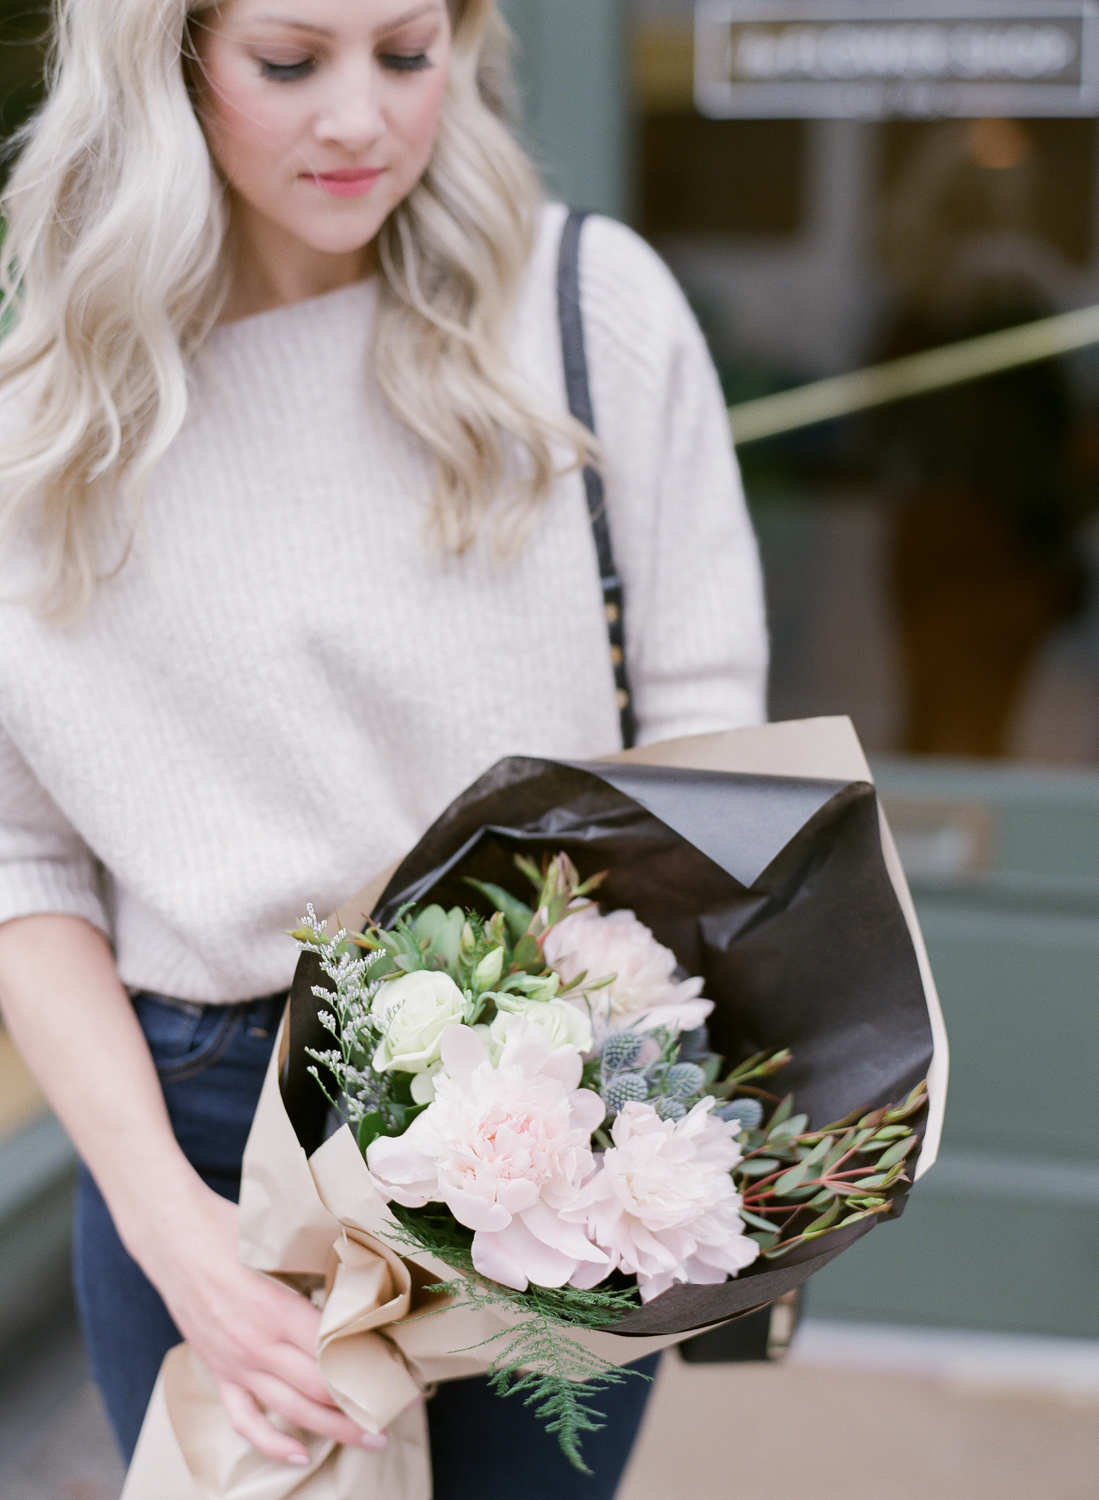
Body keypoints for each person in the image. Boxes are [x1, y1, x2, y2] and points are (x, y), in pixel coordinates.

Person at [0, 0, 767, 1494]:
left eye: (408, 53)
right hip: (197, 1124)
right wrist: (181, 1240)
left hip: (568, 1104)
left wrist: (638, 1069)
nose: (361, 118)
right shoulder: (43, 421)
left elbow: (708, 731)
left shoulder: (586, 311)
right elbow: (20, 860)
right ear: (166, 60)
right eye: (292, 62)